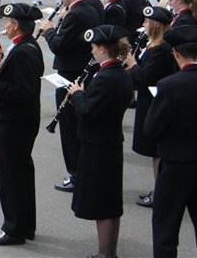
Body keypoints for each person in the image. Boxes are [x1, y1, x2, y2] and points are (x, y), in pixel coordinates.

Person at [0, 3, 44, 245]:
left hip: (16, 121)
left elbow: (23, 91)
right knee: (21, 174)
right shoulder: (26, 46)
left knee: (11, 176)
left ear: (16, 25)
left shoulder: (24, 51)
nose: (4, 26)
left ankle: (14, 228)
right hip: (21, 120)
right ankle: (25, 225)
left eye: (7, 22)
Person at [68, 25, 132, 258]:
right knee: (110, 203)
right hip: (110, 142)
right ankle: (108, 252)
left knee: (102, 204)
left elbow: (87, 111)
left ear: (104, 48)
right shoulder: (120, 73)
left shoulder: (106, 77)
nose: (92, 52)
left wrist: (77, 93)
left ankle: (106, 254)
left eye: (94, 47)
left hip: (98, 145)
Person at [39, 0, 101, 192]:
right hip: (82, 69)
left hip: (70, 73)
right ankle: (82, 172)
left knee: (68, 125)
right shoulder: (88, 8)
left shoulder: (76, 14)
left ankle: (76, 174)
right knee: (78, 125)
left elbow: (58, 45)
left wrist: (48, 30)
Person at [145, 25, 197, 257]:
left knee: (166, 226)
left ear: (176, 54)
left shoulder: (169, 86)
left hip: (176, 163)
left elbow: (152, 129)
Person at [124, 6, 178, 208]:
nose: (144, 25)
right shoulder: (154, 45)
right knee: (156, 152)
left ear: (155, 25)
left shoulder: (160, 50)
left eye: (146, 22)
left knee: (157, 151)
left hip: (154, 102)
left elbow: (147, 77)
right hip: (150, 101)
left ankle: (161, 193)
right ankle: (160, 189)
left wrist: (132, 65)